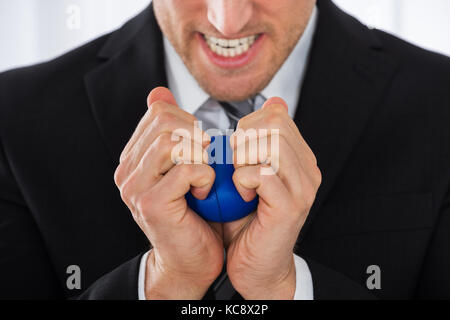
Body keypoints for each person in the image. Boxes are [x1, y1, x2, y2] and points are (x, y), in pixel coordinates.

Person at [0, 0, 449, 300]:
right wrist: (163, 285)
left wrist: (284, 289)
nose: (226, 21)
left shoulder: (439, 103)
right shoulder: (14, 117)